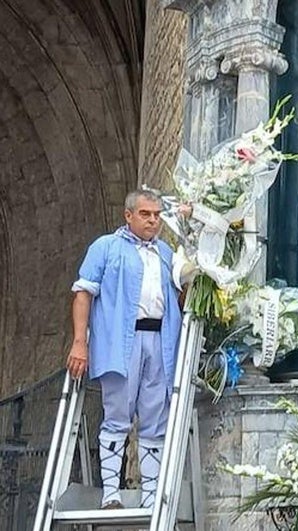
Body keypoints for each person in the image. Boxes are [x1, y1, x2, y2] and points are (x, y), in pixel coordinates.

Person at [66, 190, 190, 509]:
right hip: (122, 341)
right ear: (129, 215)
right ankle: (111, 492)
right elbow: (83, 293)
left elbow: (179, 297)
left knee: (155, 418)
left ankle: (150, 496)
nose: (153, 220)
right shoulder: (106, 247)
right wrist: (80, 342)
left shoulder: (166, 253)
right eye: (146, 214)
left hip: (160, 340)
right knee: (117, 414)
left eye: (157, 215)